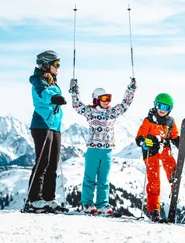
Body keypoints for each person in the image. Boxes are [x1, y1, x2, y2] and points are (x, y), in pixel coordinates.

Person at [70, 77, 137, 215]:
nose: (107, 102)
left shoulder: (112, 112)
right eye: (104, 98)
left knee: (103, 179)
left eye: (109, 98)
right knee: (89, 177)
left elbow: (125, 104)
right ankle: (87, 203)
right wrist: (74, 91)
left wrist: (131, 89)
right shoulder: (90, 112)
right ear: (96, 99)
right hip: (93, 150)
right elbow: (77, 105)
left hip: (107, 150)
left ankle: (102, 204)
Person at [135, 93, 185, 222]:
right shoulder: (149, 120)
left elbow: (174, 137)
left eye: (166, 108)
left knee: (169, 161)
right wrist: (144, 143)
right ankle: (154, 210)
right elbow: (139, 137)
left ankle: (174, 177)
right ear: (155, 105)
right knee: (154, 181)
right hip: (151, 152)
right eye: (160, 106)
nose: (162, 110)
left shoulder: (170, 122)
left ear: (170, 110)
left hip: (164, 148)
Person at [27, 50, 67, 212]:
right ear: (46, 64)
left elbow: (51, 91)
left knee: (53, 164)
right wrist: (53, 98)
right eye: (56, 64)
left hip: (54, 126)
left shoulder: (52, 81)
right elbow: (45, 93)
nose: (58, 67)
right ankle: (34, 199)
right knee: (42, 162)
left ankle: (49, 198)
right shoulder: (38, 81)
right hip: (42, 124)